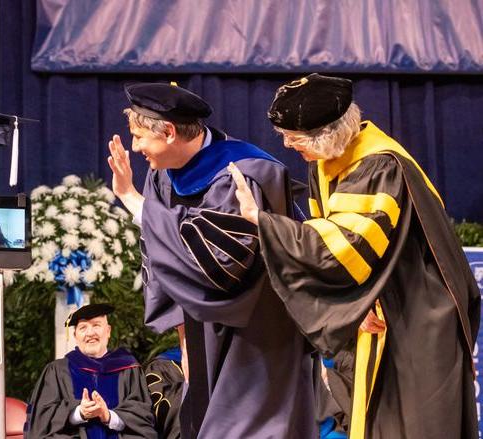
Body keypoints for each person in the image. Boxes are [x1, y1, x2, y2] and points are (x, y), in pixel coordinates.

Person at [229, 73, 480, 439]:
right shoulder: (329, 161)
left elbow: (339, 249)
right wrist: (353, 304)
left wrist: (260, 221)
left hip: (419, 314)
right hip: (385, 307)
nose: (286, 145)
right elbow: (339, 250)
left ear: (328, 134)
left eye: (294, 137)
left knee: (414, 423)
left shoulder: (377, 165)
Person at [107, 82, 315, 438]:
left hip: (256, 333)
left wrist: (131, 199)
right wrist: (184, 338)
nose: (136, 146)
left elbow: (220, 265)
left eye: (139, 136)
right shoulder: (164, 173)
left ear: (170, 132)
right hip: (201, 329)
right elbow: (161, 260)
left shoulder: (244, 173)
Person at [25, 303, 157, 438]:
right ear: (75, 336)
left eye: (96, 325)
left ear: (108, 331)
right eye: (83, 327)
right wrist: (79, 412)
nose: (90, 333)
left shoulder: (129, 369)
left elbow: (143, 416)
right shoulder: (57, 371)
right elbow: (41, 420)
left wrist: (108, 415)